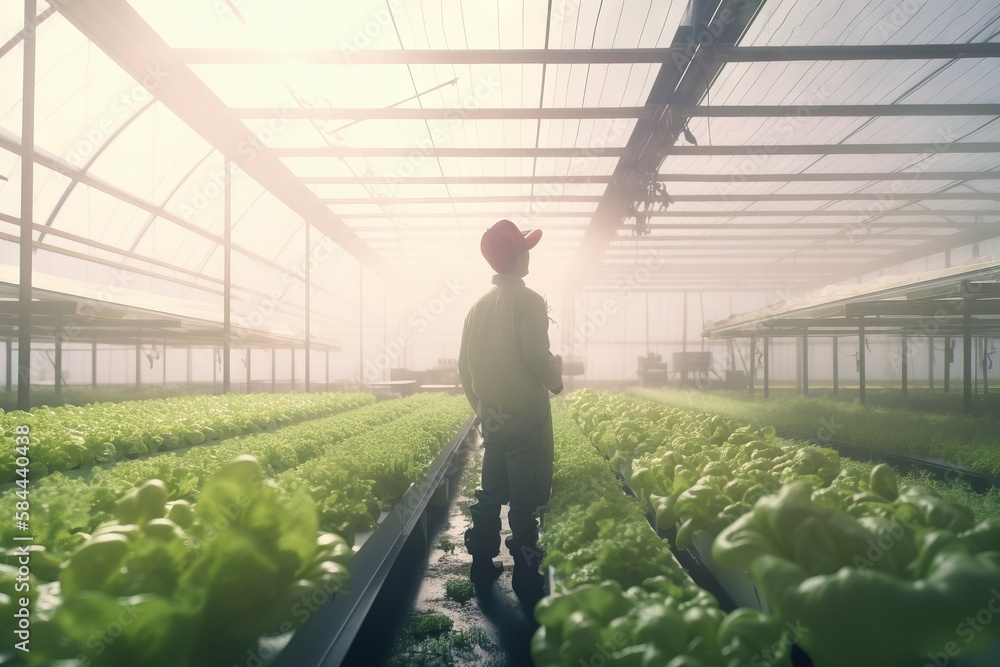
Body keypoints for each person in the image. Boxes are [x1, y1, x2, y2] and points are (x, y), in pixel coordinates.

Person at [458, 218, 563, 612]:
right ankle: (526, 571)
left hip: (495, 416)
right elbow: (536, 355)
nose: (529, 254)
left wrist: (482, 410)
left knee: (490, 492)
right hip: (526, 415)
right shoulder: (530, 300)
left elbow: (463, 368)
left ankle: (482, 563)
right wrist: (557, 381)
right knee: (525, 500)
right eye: (527, 248)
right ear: (519, 257)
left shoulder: (477, 307)